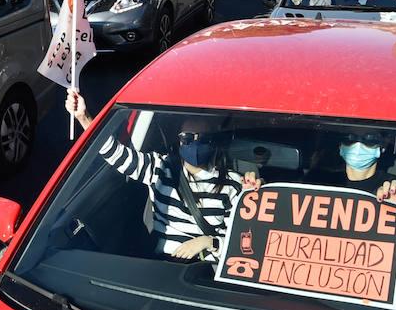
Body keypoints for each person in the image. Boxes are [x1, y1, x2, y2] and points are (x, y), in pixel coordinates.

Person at [65, 90, 258, 262]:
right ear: (179, 140)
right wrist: (84, 117)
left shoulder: (233, 184)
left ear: (214, 142)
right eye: (188, 137)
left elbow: (240, 243)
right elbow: (116, 154)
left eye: (204, 138)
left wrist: (207, 242)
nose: (195, 142)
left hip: (201, 272)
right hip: (161, 267)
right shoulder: (160, 167)